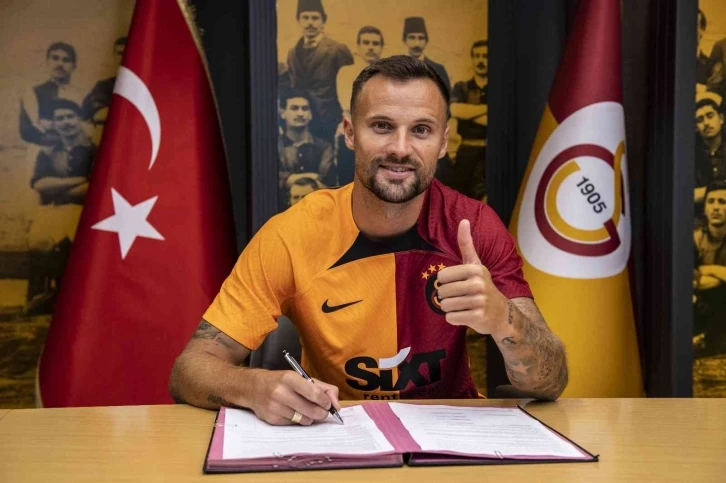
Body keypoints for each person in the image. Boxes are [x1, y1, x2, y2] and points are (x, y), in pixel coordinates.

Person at [170, 56, 568, 426]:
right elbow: (189, 369)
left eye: (421, 130)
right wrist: (254, 386)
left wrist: (501, 317)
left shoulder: (474, 226)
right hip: (335, 431)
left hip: (450, 437)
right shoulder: (291, 234)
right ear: (349, 132)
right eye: (381, 126)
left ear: (444, 142)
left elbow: (552, 381)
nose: (400, 148)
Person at [25, 99, 96, 314]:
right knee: (39, 240)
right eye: (60, 118)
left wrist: (58, 188)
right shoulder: (48, 153)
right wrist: (78, 180)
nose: (66, 122)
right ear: (54, 123)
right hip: (54, 208)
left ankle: (65, 295)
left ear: (79, 119)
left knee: (78, 242)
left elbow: (96, 188)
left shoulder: (93, 150)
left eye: (70, 116)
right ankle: (44, 294)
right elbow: (40, 184)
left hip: (86, 210)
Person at [284, 0, 353, 144]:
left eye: (315, 18)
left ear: (323, 21)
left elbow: (350, 86)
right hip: (303, 122)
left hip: (330, 120)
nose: (310, 23)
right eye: (305, 17)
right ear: (298, 21)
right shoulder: (292, 53)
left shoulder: (337, 50)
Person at [336, 26, 385, 185]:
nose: (370, 47)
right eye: (366, 43)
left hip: (381, 134)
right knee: (347, 181)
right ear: (358, 46)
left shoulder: (388, 76)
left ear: (381, 47)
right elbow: (348, 103)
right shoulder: (346, 72)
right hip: (353, 131)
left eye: (375, 43)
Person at [278, 90, 336, 210]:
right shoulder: (276, 146)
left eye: (305, 109)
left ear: (310, 115)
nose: (300, 113)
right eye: (294, 108)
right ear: (283, 113)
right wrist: (312, 177)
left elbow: (325, 181)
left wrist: (289, 179)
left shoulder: (324, 146)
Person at [19, 42, 85, 147]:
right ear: (47, 62)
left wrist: (50, 126)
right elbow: (27, 131)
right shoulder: (33, 93)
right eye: (55, 58)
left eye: (66, 60)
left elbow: (89, 127)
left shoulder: (81, 95)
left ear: (74, 66)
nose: (60, 64)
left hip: (79, 149)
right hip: (44, 150)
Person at [449, 40, 489, 200]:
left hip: (492, 153)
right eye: (477, 56)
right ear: (472, 59)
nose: (480, 61)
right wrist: (488, 109)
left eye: (485, 56)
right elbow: (455, 110)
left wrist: (469, 113)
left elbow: (499, 122)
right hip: (467, 153)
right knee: (463, 201)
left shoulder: (499, 88)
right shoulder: (462, 87)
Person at [693, 181, 726, 358]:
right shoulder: (696, 238)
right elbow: (689, 281)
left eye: (722, 202)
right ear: (705, 209)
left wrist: (708, 269)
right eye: (711, 202)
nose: (716, 207)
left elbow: (698, 273)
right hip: (705, 305)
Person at [402, 17, 451, 95]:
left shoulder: (438, 70)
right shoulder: (394, 67)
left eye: (421, 38)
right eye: (412, 38)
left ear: (426, 41)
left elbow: (446, 99)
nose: (417, 44)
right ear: (404, 40)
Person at [82, 37, 126, 117]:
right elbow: (100, 113)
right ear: (114, 55)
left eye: (130, 54)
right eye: (120, 53)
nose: (125, 58)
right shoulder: (104, 87)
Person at [695, 93, 725, 206]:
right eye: (700, 120)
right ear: (696, 127)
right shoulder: (692, 156)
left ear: (721, 119)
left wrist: (704, 192)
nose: (706, 123)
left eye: (710, 116)